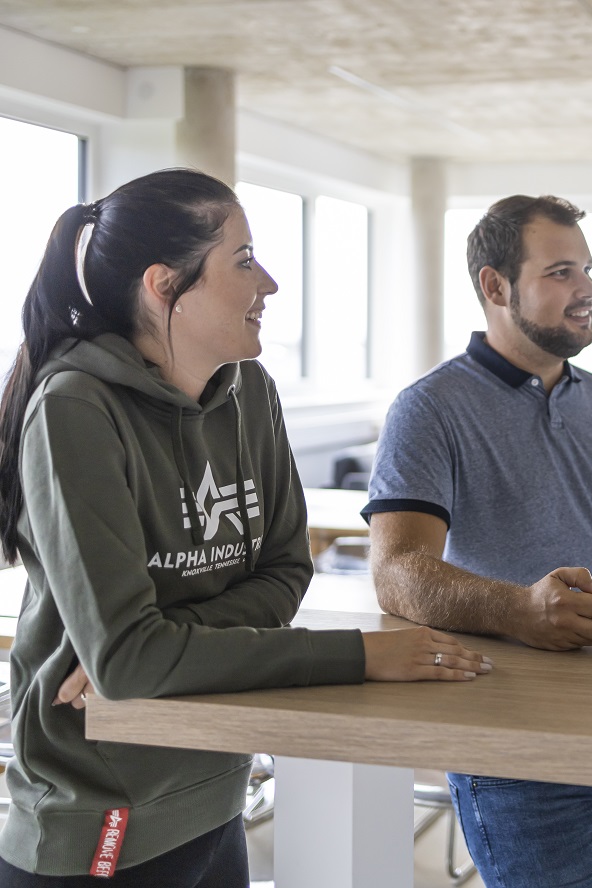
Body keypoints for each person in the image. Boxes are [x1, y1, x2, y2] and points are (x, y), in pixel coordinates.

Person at [0, 169, 490, 885]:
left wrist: (162, 642)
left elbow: (287, 571)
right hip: (100, 821)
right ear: (164, 286)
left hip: (217, 790)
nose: (269, 283)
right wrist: (358, 655)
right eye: (243, 260)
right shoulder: (76, 408)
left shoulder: (249, 392)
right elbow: (131, 660)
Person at [365, 194, 592, 887]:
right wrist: (521, 610)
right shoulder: (429, 409)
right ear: (495, 286)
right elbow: (397, 571)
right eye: (560, 273)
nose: (587, 290)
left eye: (586, 269)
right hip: (514, 746)